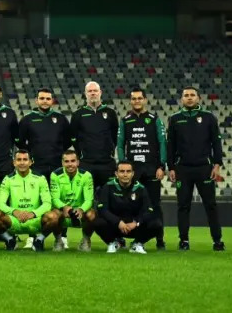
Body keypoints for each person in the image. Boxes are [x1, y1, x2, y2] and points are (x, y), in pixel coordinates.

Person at [167, 86, 225, 251]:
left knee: (210, 205)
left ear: (198, 98)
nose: (189, 98)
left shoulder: (208, 117)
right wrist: (171, 167)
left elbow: (216, 142)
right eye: (186, 95)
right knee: (183, 206)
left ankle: (217, 240)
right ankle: (184, 241)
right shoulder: (175, 118)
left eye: (192, 95)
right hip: (182, 169)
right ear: (182, 99)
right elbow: (170, 145)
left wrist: (217, 164)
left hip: (204, 168)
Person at [117, 87, 167, 250]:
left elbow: (162, 143)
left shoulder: (154, 119)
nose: (136, 101)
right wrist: (123, 165)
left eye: (139, 98)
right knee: (129, 204)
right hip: (133, 171)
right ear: (130, 101)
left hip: (152, 169)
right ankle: (126, 237)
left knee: (155, 204)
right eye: (133, 98)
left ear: (145, 100)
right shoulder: (125, 120)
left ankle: (160, 239)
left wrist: (162, 165)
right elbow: (120, 144)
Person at [0, 149, 59, 252]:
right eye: (19, 160)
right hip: (15, 221)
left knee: (54, 216)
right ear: (14, 163)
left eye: (25, 159)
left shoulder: (40, 178)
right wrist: (15, 212)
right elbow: (1, 203)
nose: (22, 162)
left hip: (35, 221)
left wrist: (33, 213)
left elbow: (47, 204)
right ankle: (10, 240)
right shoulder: (7, 179)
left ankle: (38, 240)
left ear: (31, 162)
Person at [95, 161, 162, 254]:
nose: (125, 174)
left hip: (134, 227)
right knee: (97, 222)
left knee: (157, 224)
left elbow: (149, 210)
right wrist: (118, 222)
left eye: (128, 171)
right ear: (116, 173)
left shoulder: (140, 188)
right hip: (115, 226)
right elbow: (102, 209)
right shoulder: (108, 186)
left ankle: (137, 243)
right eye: (122, 171)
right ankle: (113, 242)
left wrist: (136, 222)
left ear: (133, 173)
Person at [70, 81, 118, 192]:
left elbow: (114, 135)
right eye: (90, 91)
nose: (93, 93)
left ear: (100, 92)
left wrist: (110, 150)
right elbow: (73, 138)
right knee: (86, 197)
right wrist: (80, 154)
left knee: (108, 197)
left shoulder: (110, 113)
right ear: (85, 94)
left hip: (107, 163)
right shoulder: (78, 114)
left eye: (95, 91)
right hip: (86, 163)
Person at [50, 150, 97, 252]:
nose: (70, 164)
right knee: (52, 215)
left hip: (80, 211)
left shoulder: (86, 175)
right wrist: (64, 208)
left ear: (78, 162)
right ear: (62, 163)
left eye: (73, 161)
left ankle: (85, 240)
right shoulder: (55, 175)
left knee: (92, 214)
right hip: (62, 211)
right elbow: (54, 199)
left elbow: (89, 199)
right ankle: (58, 241)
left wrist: (81, 209)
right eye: (66, 161)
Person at [18, 88, 71, 179]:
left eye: (48, 99)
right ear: (36, 101)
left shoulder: (61, 118)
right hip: (36, 165)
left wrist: (58, 150)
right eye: (42, 98)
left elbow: (69, 140)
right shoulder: (27, 119)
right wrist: (32, 152)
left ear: (52, 101)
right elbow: (20, 141)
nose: (45, 101)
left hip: (57, 165)